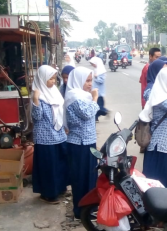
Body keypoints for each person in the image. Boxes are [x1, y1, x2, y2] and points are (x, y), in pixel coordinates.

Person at [64, 67, 100, 219]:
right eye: (87, 80)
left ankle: (89, 209)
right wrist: (95, 98)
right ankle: (81, 211)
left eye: (91, 80)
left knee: (90, 177)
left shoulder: (83, 96)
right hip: (79, 144)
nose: (90, 84)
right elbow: (87, 114)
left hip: (88, 143)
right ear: (78, 80)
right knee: (80, 179)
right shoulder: (74, 97)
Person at [31, 65, 68, 204]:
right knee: (49, 167)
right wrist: (35, 100)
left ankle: (60, 188)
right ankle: (48, 194)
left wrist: (65, 126)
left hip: (59, 135)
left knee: (61, 163)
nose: (53, 81)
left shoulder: (55, 92)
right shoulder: (38, 94)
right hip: (45, 137)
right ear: (42, 78)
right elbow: (37, 117)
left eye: (54, 78)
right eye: (50, 78)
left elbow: (62, 112)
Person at [90, 57, 109, 121]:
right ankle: (96, 118)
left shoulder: (101, 71)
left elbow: (101, 81)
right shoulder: (96, 70)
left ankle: (105, 111)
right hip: (95, 91)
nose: (92, 65)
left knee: (98, 106)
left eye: (93, 64)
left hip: (99, 92)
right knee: (96, 105)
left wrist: (95, 77)